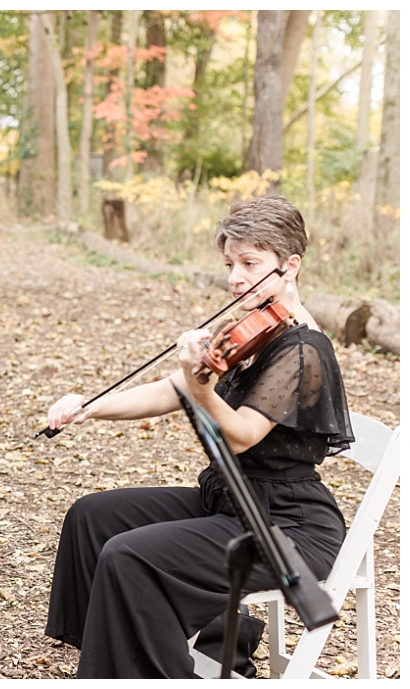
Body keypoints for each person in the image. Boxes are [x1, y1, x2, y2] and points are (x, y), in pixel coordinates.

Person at [42, 196, 353, 678]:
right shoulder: (253, 328)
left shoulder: (302, 349)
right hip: (231, 501)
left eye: (251, 263)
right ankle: (111, 664)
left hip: (286, 525)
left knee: (131, 556)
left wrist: (202, 387)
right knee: (92, 518)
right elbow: (172, 389)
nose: (235, 277)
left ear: (289, 266)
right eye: (231, 263)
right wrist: (91, 406)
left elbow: (243, 434)